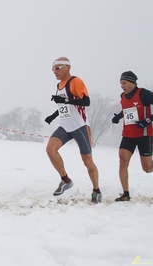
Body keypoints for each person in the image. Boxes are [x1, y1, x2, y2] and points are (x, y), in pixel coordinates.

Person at [45, 57, 101, 204]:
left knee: (87, 161)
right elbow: (64, 106)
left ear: (68, 67)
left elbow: (85, 102)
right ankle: (66, 180)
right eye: (53, 69)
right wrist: (53, 115)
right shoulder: (59, 86)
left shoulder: (75, 81)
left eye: (58, 68)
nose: (54, 71)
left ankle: (96, 190)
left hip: (80, 126)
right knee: (51, 150)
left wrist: (65, 101)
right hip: (65, 125)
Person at [111, 71, 153, 202]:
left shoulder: (144, 93)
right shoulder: (123, 96)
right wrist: (118, 117)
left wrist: (147, 120)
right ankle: (125, 193)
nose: (122, 86)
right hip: (128, 135)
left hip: (144, 135)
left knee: (147, 168)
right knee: (122, 161)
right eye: (120, 83)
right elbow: (127, 110)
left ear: (132, 83)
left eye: (124, 83)